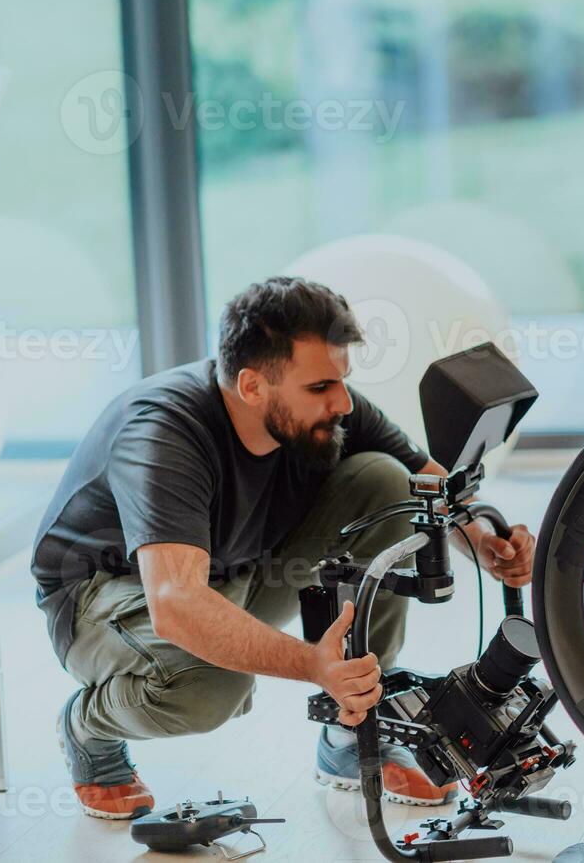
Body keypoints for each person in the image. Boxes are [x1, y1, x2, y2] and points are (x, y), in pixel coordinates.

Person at [32, 277, 537, 818]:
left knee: (386, 482)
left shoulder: (330, 409)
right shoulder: (164, 434)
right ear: (251, 387)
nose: (342, 401)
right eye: (320, 387)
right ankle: (87, 726)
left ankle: (351, 735)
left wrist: (482, 542)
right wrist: (314, 666)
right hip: (105, 600)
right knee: (209, 688)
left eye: (343, 380)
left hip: (231, 569)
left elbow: (427, 480)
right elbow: (177, 603)